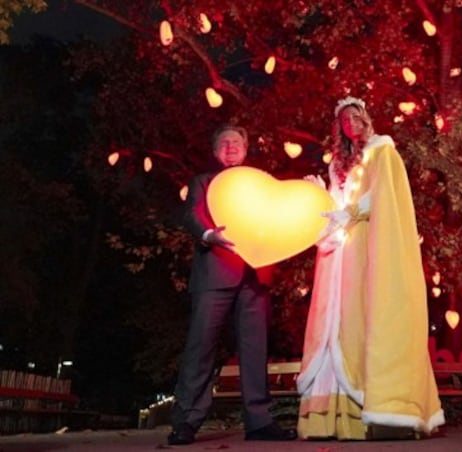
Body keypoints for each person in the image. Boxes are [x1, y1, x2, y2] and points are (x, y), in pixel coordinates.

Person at [296, 97, 444, 440]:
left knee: (365, 317)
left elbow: (384, 194)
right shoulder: (337, 165)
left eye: (355, 116)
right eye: (344, 119)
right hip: (339, 252)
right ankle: (329, 419)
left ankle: (379, 411)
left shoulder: (382, 150)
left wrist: (351, 214)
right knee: (335, 322)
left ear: (365, 117)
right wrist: (320, 199)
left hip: (367, 244)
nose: (351, 123)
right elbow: (336, 202)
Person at [167, 124, 297, 445]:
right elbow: (191, 215)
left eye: (236, 142)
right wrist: (209, 236)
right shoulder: (203, 182)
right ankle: (186, 420)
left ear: (246, 149)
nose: (230, 147)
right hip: (214, 273)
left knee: (255, 350)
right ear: (215, 152)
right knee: (201, 347)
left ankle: (259, 421)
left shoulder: (260, 183)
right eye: (223, 143)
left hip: (255, 277)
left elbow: (280, 218)